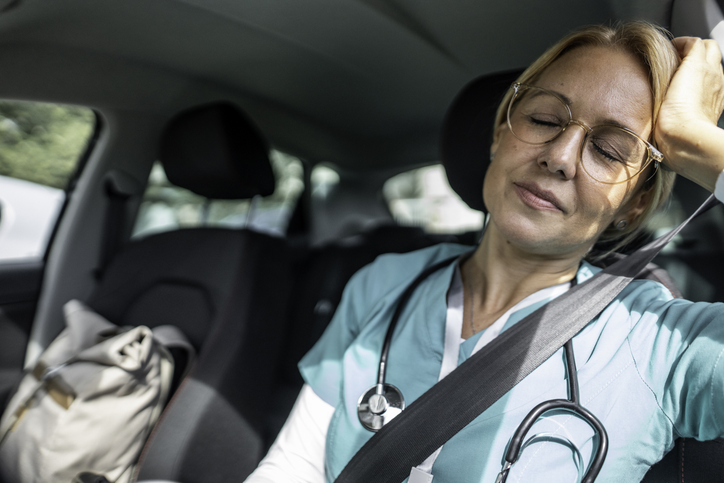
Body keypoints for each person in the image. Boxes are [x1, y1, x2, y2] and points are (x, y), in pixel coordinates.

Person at [245, 22, 724, 482]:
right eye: (543, 119)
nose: (558, 157)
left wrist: (695, 142)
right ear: (500, 132)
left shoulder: (666, 343)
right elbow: (294, 468)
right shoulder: (382, 282)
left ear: (635, 204)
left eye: (610, 150)